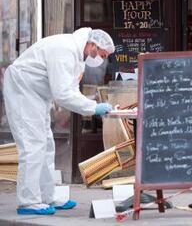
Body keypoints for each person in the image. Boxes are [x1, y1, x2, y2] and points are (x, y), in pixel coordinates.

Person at [3, 28, 115, 215]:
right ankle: (28, 201)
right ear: (93, 45)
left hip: (35, 93)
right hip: (23, 90)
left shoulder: (76, 55)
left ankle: (48, 196)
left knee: (46, 144)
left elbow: (70, 90)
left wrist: (91, 105)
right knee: (33, 145)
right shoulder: (65, 49)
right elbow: (63, 94)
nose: (102, 59)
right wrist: (93, 107)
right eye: (102, 54)